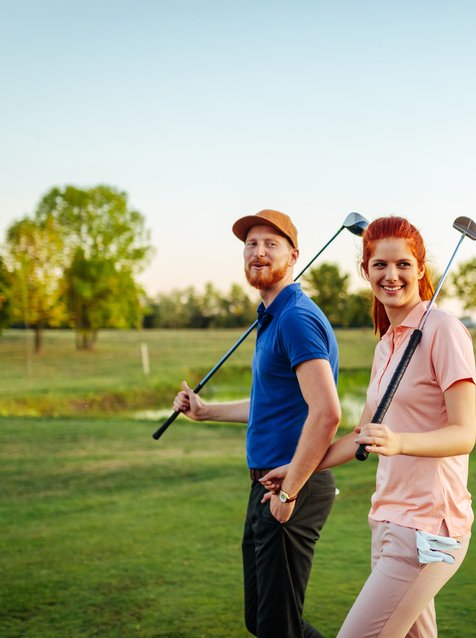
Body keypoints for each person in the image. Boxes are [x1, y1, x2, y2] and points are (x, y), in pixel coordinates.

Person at [262, 216, 476, 638]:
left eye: (402, 264)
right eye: (379, 265)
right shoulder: (386, 344)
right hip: (387, 521)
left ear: (420, 268)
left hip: (428, 529)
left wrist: (399, 442)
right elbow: (361, 438)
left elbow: (464, 434)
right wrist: (298, 472)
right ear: (366, 271)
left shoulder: (444, 331)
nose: (391, 275)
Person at [172, 209, 341, 638]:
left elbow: (327, 412)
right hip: (267, 484)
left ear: (293, 255)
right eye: (251, 244)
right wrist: (206, 411)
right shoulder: (272, 318)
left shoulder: (295, 318)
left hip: (292, 483)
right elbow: (272, 402)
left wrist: (289, 489)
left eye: (271, 244)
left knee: (275, 628)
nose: (258, 252)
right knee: (264, 621)